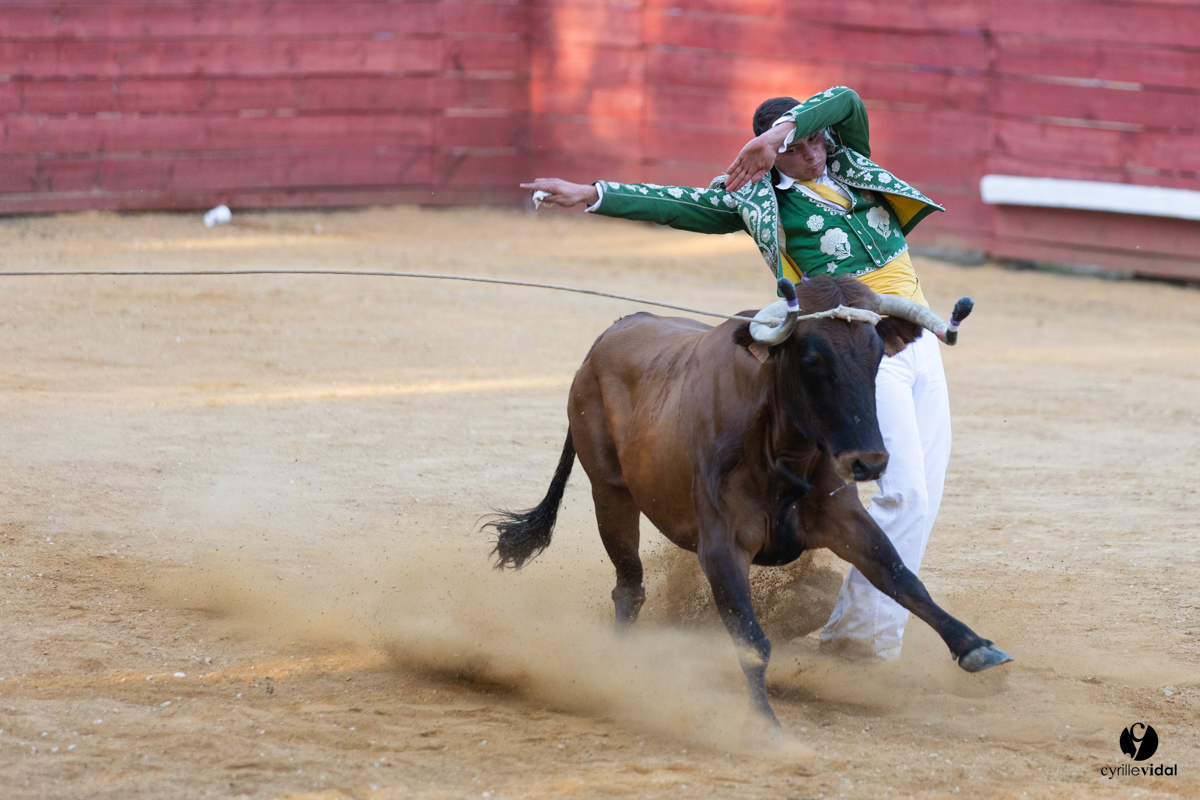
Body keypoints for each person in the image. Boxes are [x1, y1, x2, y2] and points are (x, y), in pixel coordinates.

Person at [521, 86, 951, 663]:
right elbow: (675, 204)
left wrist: (780, 133)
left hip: (914, 337)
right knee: (902, 492)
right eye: (796, 149)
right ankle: (860, 644)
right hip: (854, 350)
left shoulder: (851, 163)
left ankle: (859, 631)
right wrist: (594, 194)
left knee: (922, 499)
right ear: (772, 160)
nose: (815, 153)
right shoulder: (757, 200)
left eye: (814, 139)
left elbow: (845, 100)